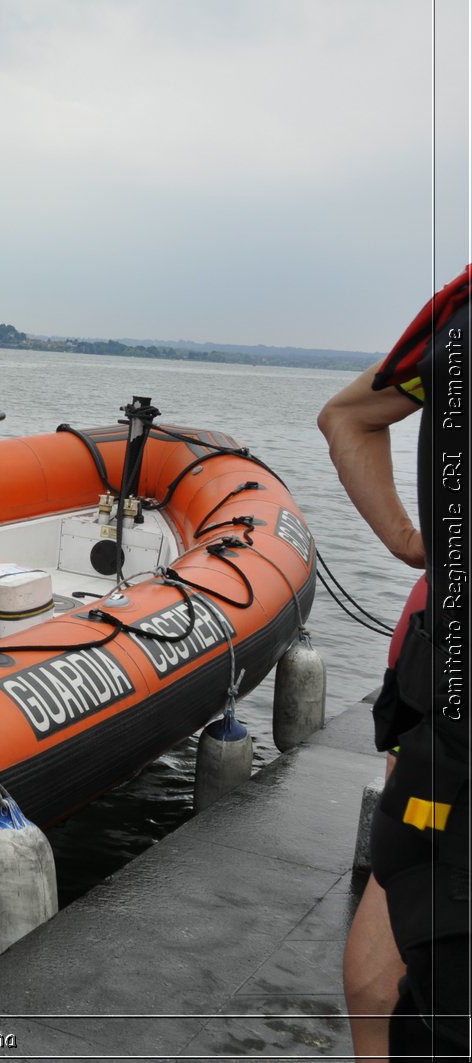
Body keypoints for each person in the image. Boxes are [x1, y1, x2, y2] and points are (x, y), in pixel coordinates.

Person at [319, 264, 468, 1062]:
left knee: (401, 869)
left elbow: (345, 415)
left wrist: (415, 544)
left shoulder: (453, 315)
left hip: (436, 667)